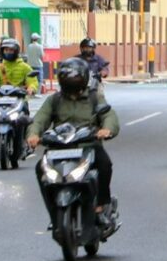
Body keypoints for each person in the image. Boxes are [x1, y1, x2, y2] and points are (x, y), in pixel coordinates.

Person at [27, 58, 120, 230]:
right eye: (67, 77)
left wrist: (107, 129)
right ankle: (54, 212)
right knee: (41, 169)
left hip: (87, 146)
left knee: (105, 164)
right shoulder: (54, 100)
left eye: (75, 77)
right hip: (59, 148)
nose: (71, 80)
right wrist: (33, 134)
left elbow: (109, 116)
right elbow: (40, 119)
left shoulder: (94, 97)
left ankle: (100, 207)